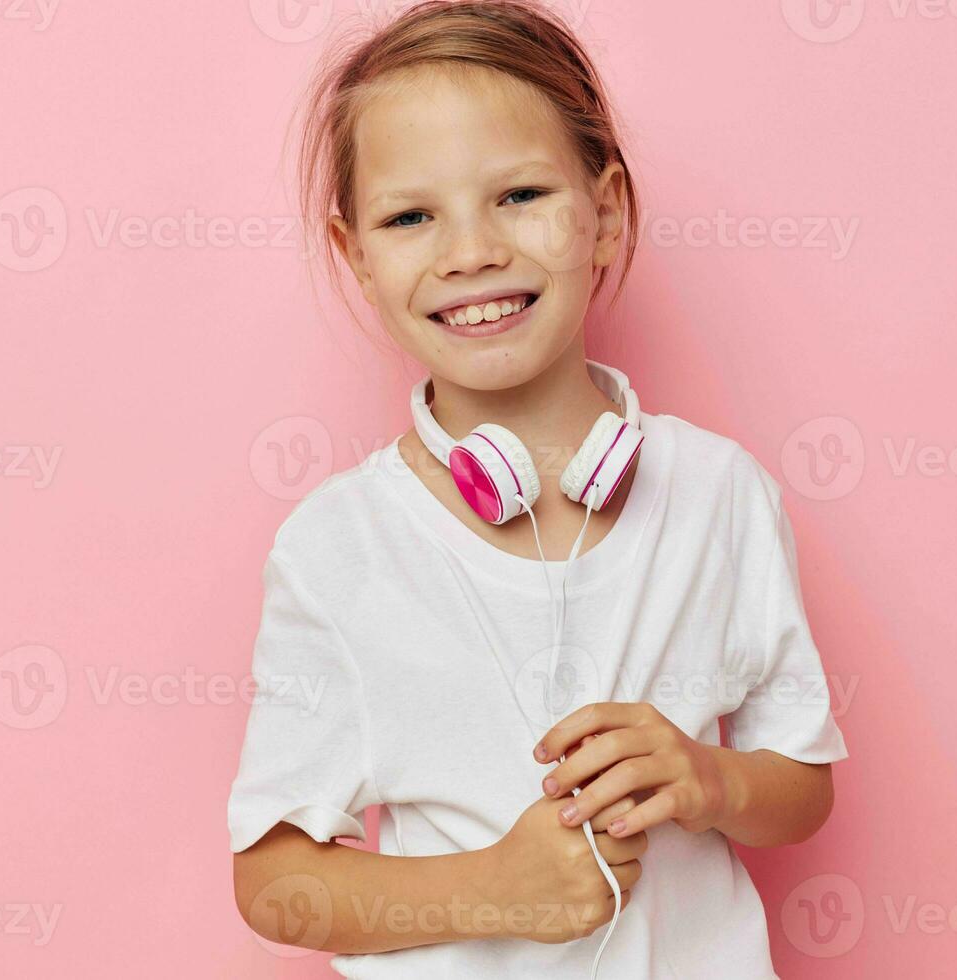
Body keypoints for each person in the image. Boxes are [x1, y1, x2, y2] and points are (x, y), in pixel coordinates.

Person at [227, 3, 848, 977]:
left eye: (518, 194)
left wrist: (712, 776)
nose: (470, 249)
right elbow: (272, 881)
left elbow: (803, 784)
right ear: (358, 256)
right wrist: (497, 886)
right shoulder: (337, 548)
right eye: (410, 215)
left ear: (603, 213)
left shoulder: (719, 493)